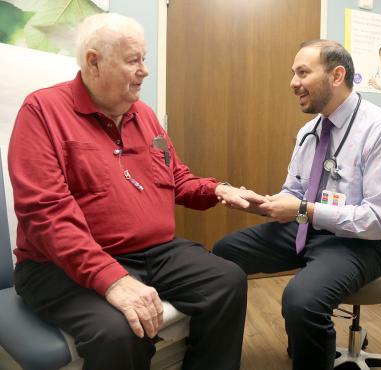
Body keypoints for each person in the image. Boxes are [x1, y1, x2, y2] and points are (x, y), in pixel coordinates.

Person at [8, 13, 265, 370]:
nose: (145, 70)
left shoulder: (143, 114)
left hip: (154, 253)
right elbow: (45, 213)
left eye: (144, 59)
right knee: (118, 331)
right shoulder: (43, 111)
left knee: (226, 281)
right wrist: (111, 279)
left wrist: (218, 189)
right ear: (94, 62)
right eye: (134, 61)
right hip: (59, 264)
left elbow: (176, 178)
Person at [213, 39, 381, 370]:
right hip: (308, 227)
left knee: (301, 301)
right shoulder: (309, 131)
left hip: (361, 243)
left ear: (336, 75)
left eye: (303, 73)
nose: (293, 83)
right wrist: (263, 203)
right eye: (293, 73)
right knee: (224, 252)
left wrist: (305, 210)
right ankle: (217, 356)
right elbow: (294, 191)